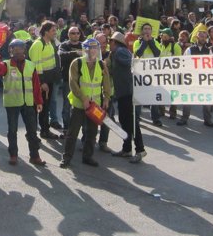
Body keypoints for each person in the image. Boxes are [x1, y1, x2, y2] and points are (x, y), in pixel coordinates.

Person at [60, 38, 111, 168]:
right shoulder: (77, 63)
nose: (93, 51)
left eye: (95, 48)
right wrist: (83, 98)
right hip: (79, 104)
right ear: (85, 49)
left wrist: (106, 98)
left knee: (92, 133)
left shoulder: (101, 64)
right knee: (73, 132)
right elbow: (73, 83)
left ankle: (88, 156)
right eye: (90, 48)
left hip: (95, 105)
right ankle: (66, 158)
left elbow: (106, 83)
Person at [0, 38, 45, 166]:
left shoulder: (31, 65)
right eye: (14, 49)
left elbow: (36, 85)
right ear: (10, 51)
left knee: (32, 131)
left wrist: (38, 101)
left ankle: (35, 156)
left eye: (20, 49)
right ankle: (13, 155)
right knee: (12, 130)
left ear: (24, 50)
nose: (18, 51)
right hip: (12, 103)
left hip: (28, 103)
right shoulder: (6, 64)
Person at [109, 32, 146, 163]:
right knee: (125, 121)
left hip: (128, 92)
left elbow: (132, 63)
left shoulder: (120, 52)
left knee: (131, 122)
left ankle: (140, 150)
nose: (109, 44)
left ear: (115, 42)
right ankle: (126, 149)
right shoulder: (116, 53)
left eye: (110, 42)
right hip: (123, 92)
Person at [28, 21, 60, 140]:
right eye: (53, 31)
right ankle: (34, 134)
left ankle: (45, 130)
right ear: (46, 32)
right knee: (38, 107)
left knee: (45, 107)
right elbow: (36, 65)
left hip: (49, 80)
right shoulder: (38, 44)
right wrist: (41, 83)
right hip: (41, 81)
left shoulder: (49, 43)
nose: (55, 33)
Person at [180, 29, 213, 127]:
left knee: (207, 100)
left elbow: (212, 65)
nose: (203, 38)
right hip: (192, 78)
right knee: (188, 100)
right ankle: (184, 118)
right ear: (197, 37)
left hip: (204, 79)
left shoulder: (209, 51)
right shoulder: (189, 50)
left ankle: (207, 120)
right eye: (201, 36)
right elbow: (184, 63)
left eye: (205, 37)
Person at [133, 23, 163, 126]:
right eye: (145, 29)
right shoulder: (137, 42)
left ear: (151, 31)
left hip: (152, 74)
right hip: (140, 74)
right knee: (138, 97)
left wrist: (150, 41)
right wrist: (144, 42)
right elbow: (138, 53)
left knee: (153, 97)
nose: (147, 31)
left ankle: (156, 118)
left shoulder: (156, 42)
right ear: (142, 31)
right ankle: (136, 118)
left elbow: (157, 53)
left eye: (149, 29)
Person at [57, 26, 84, 134]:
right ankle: (67, 128)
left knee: (81, 105)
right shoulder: (64, 45)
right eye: (73, 33)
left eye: (77, 33)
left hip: (82, 80)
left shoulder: (83, 45)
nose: (75, 35)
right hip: (67, 79)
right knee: (67, 105)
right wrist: (76, 53)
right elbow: (61, 55)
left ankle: (80, 128)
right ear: (68, 35)